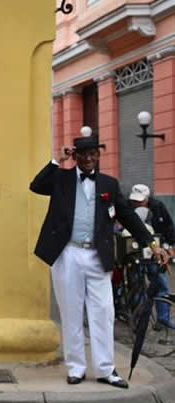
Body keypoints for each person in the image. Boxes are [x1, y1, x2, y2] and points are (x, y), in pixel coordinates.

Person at [31, 133, 168, 389]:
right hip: (68, 252)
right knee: (71, 311)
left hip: (97, 254)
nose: (89, 159)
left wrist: (152, 243)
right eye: (83, 154)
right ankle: (76, 368)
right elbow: (36, 186)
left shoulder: (109, 184)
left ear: (98, 155)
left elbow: (128, 217)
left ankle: (106, 369)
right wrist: (56, 161)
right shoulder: (61, 179)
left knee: (104, 311)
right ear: (75, 156)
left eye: (93, 154)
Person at [128, 183, 175, 330]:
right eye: (135, 200)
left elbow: (169, 227)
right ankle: (139, 320)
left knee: (161, 284)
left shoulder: (158, 207)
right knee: (136, 285)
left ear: (147, 198)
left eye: (140, 200)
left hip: (156, 251)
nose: (137, 203)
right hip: (135, 250)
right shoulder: (127, 207)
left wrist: (169, 247)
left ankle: (163, 318)